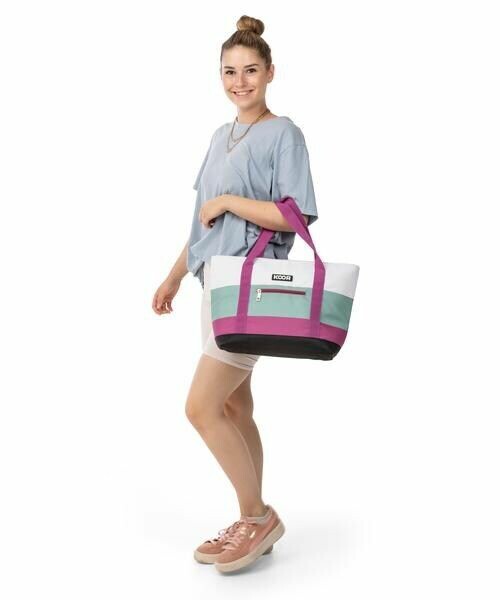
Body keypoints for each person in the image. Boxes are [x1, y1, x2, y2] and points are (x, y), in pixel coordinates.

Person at [151, 15, 319, 574]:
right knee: (233, 406)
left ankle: (257, 517)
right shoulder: (218, 137)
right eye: (229, 71)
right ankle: (252, 518)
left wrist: (228, 202)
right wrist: (175, 275)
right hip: (215, 285)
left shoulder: (283, 133)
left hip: (252, 290)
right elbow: (202, 222)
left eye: (250, 70)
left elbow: (293, 216)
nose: (239, 81)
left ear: (270, 72)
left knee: (200, 407)